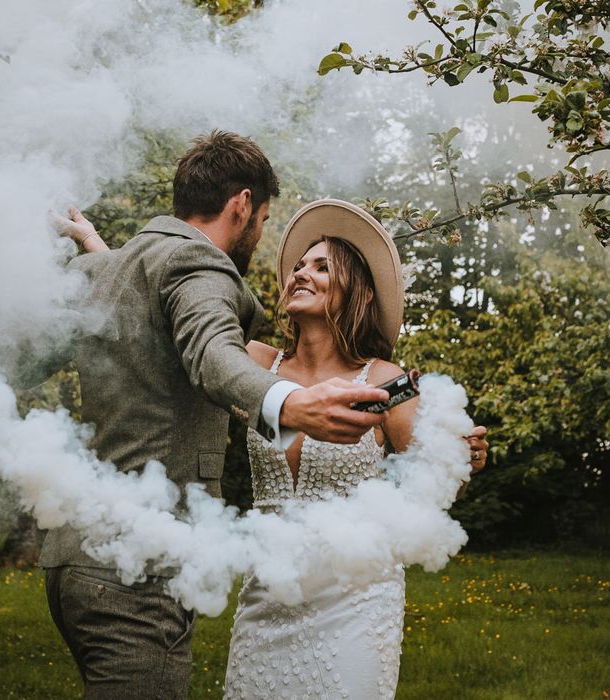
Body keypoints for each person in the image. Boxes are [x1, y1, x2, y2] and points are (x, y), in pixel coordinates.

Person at [43, 133, 395, 700]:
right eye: (262, 219)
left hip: (75, 563)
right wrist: (289, 402)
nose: (261, 234)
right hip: (140, 567)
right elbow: (211, 354)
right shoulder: (202, 264)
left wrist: (97, 253)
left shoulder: (119, 268)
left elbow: (139, 314)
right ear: (242, 205)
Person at [222, 199, 488, 700]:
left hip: (356, 601)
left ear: (358, 292)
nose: (302, 273)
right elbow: (180, 327)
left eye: (322, 266)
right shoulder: (255, 362)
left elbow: (431, 484)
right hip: (268, 592)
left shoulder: (385, 382)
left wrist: (462, 455)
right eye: (300, 265)